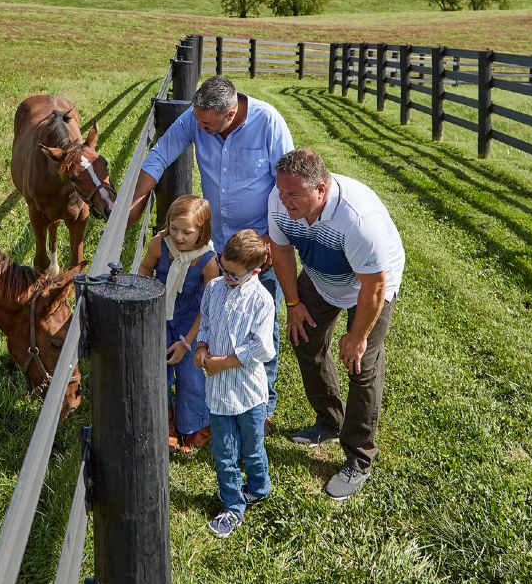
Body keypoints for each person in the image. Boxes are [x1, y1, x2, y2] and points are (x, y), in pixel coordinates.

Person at [129, 75, 294, 425]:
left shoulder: (268, 122)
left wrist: (271, 239)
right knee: (217, 318)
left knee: (260, 324)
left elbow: (285, 185)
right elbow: (160, 155)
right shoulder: (196, 118)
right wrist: (135, 202)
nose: (198, 126)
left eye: (206, 122)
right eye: (197, 119)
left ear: (230, 113)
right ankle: (218, 399)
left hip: (258, 246)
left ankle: (261, 407)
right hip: (217, 243)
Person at [267, 149, 405, 501]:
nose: (284, 202)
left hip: (368, 284)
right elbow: (280, 250)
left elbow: (374, 285)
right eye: (281, 193)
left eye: (293, 195)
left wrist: (357, 336)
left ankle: (359, 459)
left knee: (361, 363)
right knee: (304, 339)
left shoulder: (358, 219)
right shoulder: (280, 199)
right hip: (320, 275)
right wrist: (293, 303)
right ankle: (329, 422)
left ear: (321, 191)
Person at [194, 229, 276, 539]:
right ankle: (233, 506)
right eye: (223, 267)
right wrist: (201, 349)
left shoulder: (261, 300)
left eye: (234, 274)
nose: (226, 276)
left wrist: (224, 362)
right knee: (224, 452)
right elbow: (206, 323)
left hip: (249, 393)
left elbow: (262, 348)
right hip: (218, 394)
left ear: (255, 271)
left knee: (253, 449)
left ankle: (258, 486)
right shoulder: (214, 287)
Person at [137, 195, 219, 453]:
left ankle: (195, 425)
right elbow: (144, 268)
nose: (179, 237)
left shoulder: (208, 261)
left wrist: (187, 342)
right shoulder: (160, 245)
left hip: (190, 321)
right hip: (159, 315)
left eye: (187, 232)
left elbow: (207, 307)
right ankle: (165, 424)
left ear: (201, 231)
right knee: (158, 372)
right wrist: (145, 300)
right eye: (174, 229)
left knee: (191, 374)